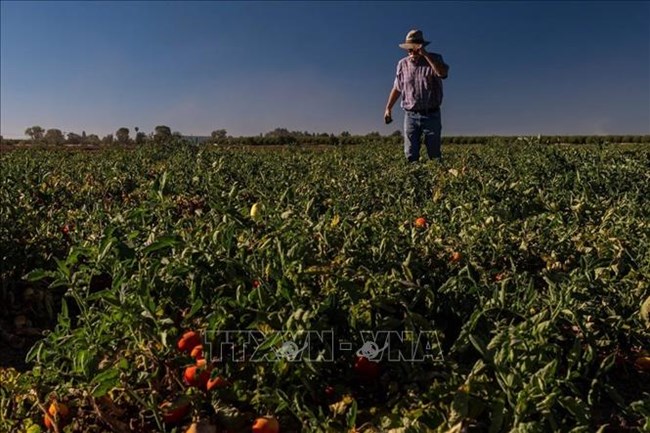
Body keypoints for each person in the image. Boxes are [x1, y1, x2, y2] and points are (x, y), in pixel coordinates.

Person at [384, 29, 449, 163]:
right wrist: (388, 108)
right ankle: (415, 180)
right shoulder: (402, 64)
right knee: (410, 154)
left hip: (431, 114)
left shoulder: (435, 58)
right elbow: (397, 88)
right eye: (409, 49)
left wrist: (426, 55)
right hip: (410, 115)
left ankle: (436, 181)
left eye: (414, 49)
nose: (411, 52)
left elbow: (442, 74)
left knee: (434, 154)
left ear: (421, 47)